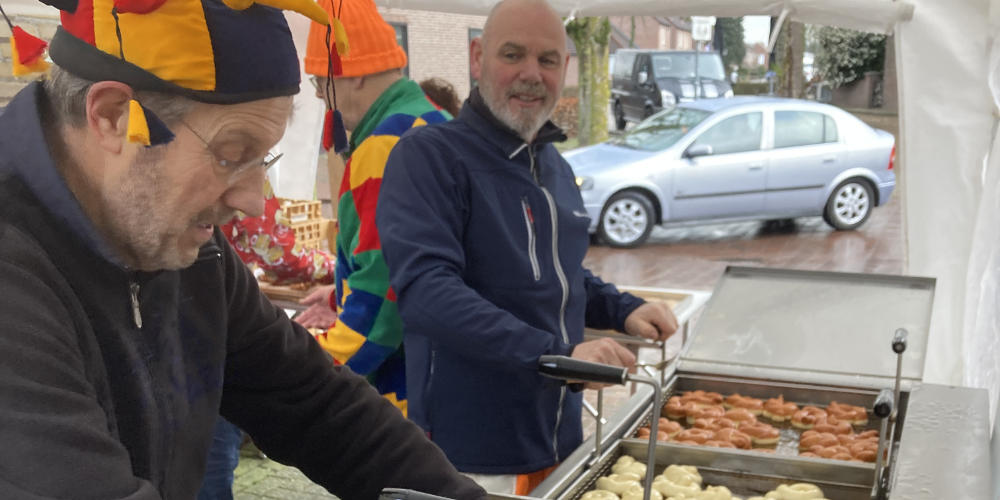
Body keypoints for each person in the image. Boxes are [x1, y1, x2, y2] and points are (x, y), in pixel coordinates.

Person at [0, 0, 484, 497]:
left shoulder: (186, 249)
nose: (254, 201)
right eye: (231, 156)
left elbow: (316, 402)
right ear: (111, 117)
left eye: (263, 159)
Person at [377, 0, 679, 494]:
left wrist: (626, 309)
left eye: (548, 60)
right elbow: (428, 293)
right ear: (477, 58)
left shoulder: (553, 166)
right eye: (512, 54)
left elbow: (558, 274)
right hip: (471, 453)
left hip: (559, 438)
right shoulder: (429, 157)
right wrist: (560, 355)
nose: (530, 74)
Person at [297, 0, 450, 416]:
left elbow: (386, 288)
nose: (317, 93)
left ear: (357, 73)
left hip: (409, 386)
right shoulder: (432, 121)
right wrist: (340, 290)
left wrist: (320, 368)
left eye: (319, 79)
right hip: (448, 369)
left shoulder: (382, 148)